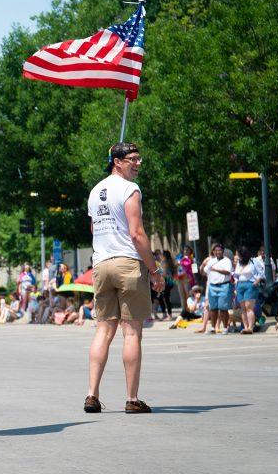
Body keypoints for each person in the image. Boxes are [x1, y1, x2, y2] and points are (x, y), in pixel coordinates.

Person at [84, 142, 164, 414]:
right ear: (117, 161)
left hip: (101, 263)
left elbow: (94, 228)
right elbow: (137, 234)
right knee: (131, 331)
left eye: (139, 158)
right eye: (132, 159)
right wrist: (154, 271)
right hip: (127, 262)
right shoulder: (130, 190)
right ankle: (132, 398)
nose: (138, 163)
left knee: (104, 330)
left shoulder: (95, 191)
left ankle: (92, 394)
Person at [196, 243, 233, 334]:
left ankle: (225, 327)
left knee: (223, 308)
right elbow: (204, 272)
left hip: (224, 286)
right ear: (213, 252)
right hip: (212, 286)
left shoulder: (227, 261)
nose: (218, 252)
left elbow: (228, 272)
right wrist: (201, 267)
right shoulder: (211, 261)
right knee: (213, 308)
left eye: (219, 250)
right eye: (216, 251)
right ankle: (213, 327)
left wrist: (216, 270)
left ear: (223, 251)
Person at [233, 247, 259, 334]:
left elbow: (261, 272)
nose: (237, 257)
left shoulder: (253, 261)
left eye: (238, 255)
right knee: (243, 308)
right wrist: (236, 284)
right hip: (240, 284)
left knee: (249, 307)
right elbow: (236, 275)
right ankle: (246, 327)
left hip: (250, 284)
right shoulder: (239, 263)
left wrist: (257, 281)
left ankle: (250, 327)